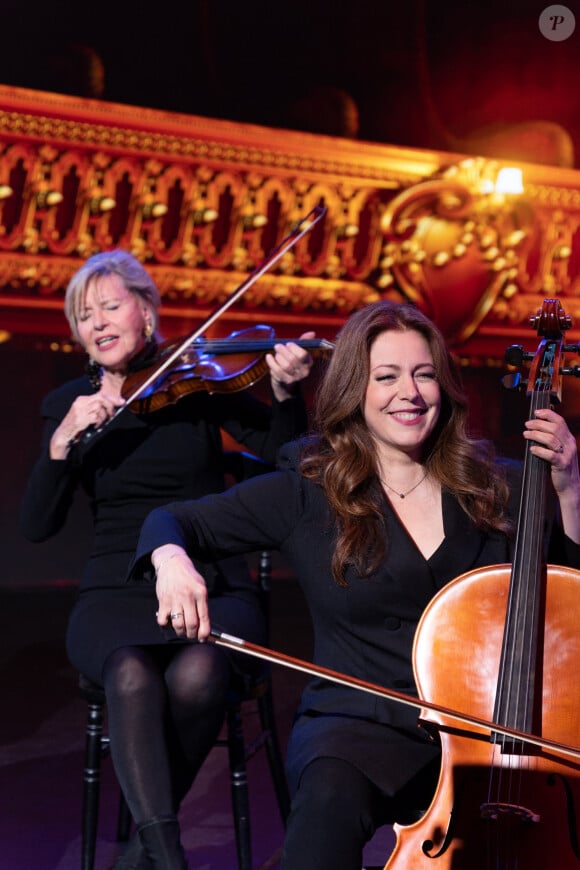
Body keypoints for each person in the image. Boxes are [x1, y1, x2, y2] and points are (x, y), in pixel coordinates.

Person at [129, 299, 580, 870]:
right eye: (386, 376)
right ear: (353, 390)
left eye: (423, 374)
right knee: (323, 818)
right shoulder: (308, 489)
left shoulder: (497, 488)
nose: (409, 393)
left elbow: (568, 586)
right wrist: (172, 562)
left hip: (488, 730)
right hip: (358, 723)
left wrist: (567, 489)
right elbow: (174, 522)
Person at [19, 248, 316, 869]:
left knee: (200, 672)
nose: (96, 322)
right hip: (115, 589)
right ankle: (166, 856)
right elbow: (36, 527)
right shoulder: (71, 404)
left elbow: (290, 455)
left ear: (146, 312)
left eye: (109, 305)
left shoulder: (196, 381)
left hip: (207, 577)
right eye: (82, 314)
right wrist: (61, 441)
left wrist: (287, 390)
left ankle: (141, 856)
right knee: (128, 670)